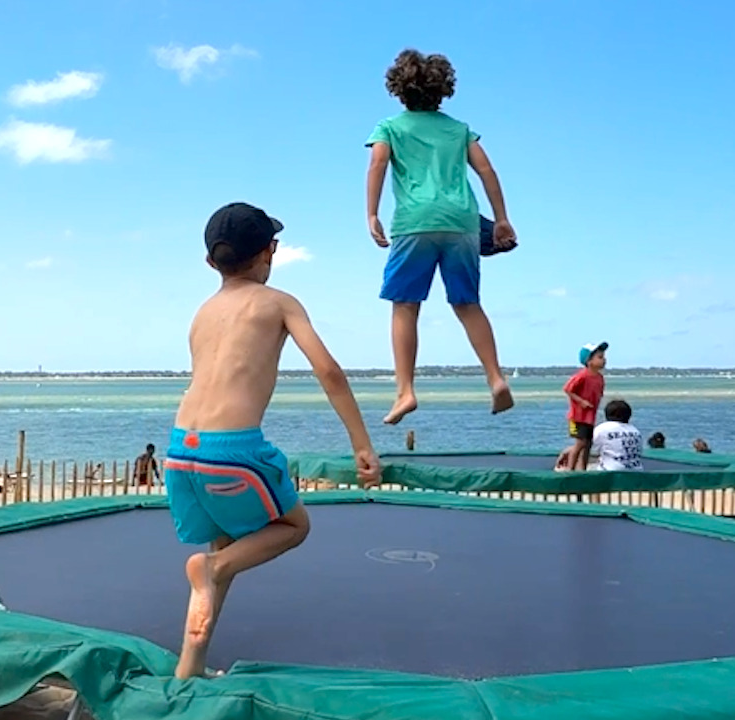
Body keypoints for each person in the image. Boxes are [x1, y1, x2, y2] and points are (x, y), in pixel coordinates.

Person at [164, 202, 382, 680]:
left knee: (223, 547)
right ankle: (210, 571)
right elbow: (329, 371)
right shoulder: (279, 302)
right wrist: (361, 444)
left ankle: (189, 666)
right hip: (233, 451)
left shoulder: (202, 313)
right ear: (271, 251)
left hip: (181, 450)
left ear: (210, 262)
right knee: (292, 527)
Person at [364, 48, 517, 424]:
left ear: (398, 90)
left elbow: (378, 163)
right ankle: (495, 378)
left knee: (405, 305)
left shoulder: (389, 128)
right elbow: (487, 171)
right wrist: (501, 219)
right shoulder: (459, 129)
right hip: (462, 222)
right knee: (468, 304)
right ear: (443, 89)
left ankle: (405, 391)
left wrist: (372, 213)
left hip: (415, 222)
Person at [562, 342, 608, 471]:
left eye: (603, 357)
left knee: (588, 444)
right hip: (578, 417)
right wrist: (581, 401)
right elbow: (568, 389)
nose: (604, 360)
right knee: (580, 443)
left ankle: (582, 468)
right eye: (600, 357)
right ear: (589, 361)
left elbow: (599, 393)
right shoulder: (582, 376)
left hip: (590, 418)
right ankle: (570, 469)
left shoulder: (599, 378)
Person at [590, 399, 644, 471]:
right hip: (636, 471)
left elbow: (591, 450)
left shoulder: (602, 428)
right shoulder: (636, 431)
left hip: (611, 472)